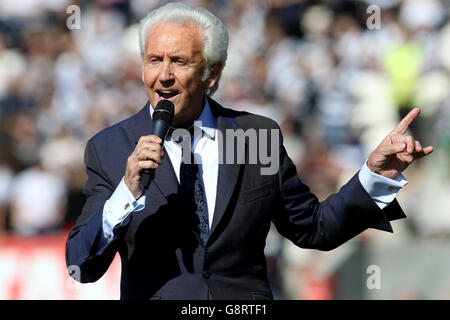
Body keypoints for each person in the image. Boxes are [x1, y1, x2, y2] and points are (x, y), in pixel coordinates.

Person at [65, 3, 433, 300]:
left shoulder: (257, 136)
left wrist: (373, 175)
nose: (163, 75)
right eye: (154, 60)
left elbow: (314, 228)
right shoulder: (110, 147)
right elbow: (81, 263)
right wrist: (125, 193)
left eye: (178, 61)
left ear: (212, 73)